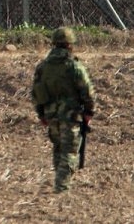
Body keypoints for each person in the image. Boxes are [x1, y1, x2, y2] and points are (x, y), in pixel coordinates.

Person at [31, 27, 96, 193]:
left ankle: (59, 183)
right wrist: (89, 113)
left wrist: (41, 114)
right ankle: (61, 188)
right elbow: (87, 92)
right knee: (70, 151)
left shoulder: (42, 67)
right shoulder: (74, 66)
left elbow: (36, 93)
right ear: (69, 45)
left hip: (51, 115)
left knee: (58, 148)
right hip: (71, 115)